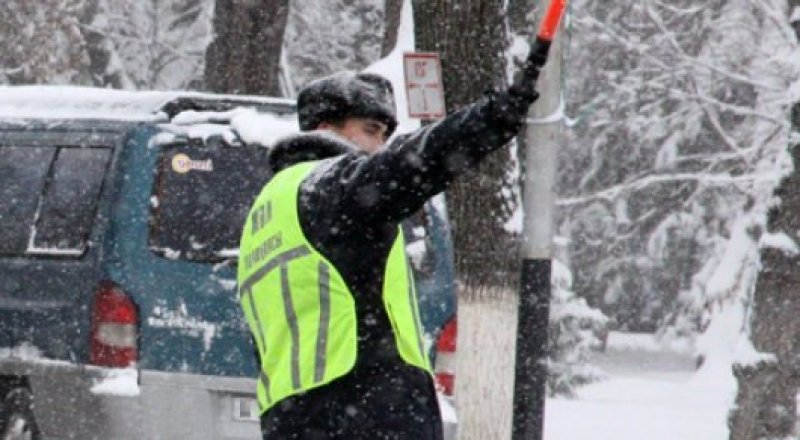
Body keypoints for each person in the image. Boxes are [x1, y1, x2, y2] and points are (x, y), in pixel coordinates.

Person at [238, 41, 550, 439]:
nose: (379, 146)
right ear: (324, 129)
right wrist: (491, 118)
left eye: (385, 134)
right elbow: (413, 160)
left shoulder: (265, 215)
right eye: (370, 130)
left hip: (293, 417)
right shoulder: (332, 186)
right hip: (364, 408)